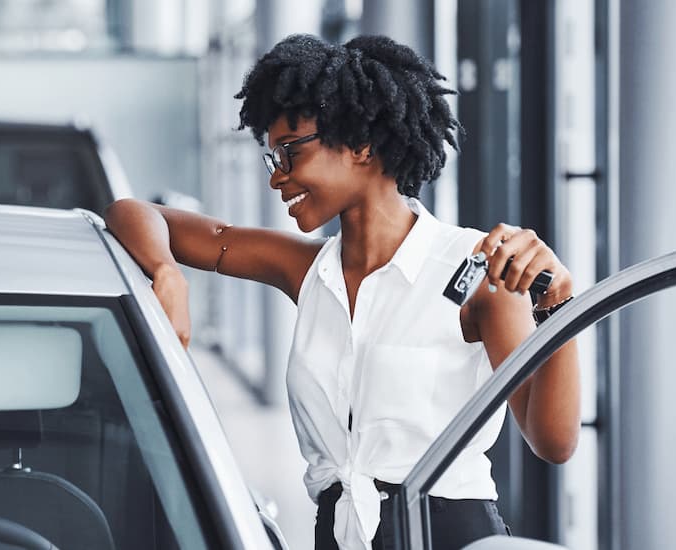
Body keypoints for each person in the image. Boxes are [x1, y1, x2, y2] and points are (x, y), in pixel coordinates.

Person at [104, 33, 580, 550]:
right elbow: (132, 213)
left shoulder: (473, 268)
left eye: (289, 152)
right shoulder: (303, 270)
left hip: (449, 537)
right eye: (271, 160)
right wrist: (165, 272)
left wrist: (558, 303)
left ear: (361, 143)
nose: (277, 178)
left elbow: (552, 440)